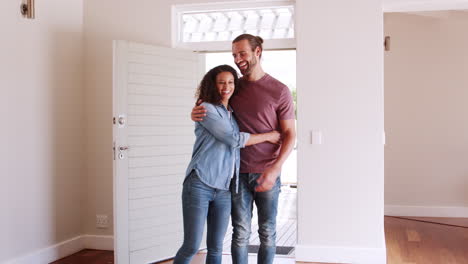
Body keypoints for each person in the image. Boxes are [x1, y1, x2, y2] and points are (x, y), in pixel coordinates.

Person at [191, 35, 297, 264]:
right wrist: (195, 112)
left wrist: (276, 169)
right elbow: (211, 109)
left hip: (267, 171)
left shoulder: (279, 90)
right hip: (236, 173)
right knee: (240, 233)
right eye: (234, 55)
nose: (238, 59)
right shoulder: (233, 87)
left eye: (242, 54)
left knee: (267, 232)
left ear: (257, 52)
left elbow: (290, 134)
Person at [174, 64, 281, 264]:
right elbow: (233, 139)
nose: (226, 87)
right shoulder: (206, 108)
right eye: (221, 82)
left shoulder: (231, 112)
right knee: (192, 245)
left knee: (216, 247)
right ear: (212, 85)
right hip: (199, 183)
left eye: (231, 82)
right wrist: (269, 136)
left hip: (224, 188)